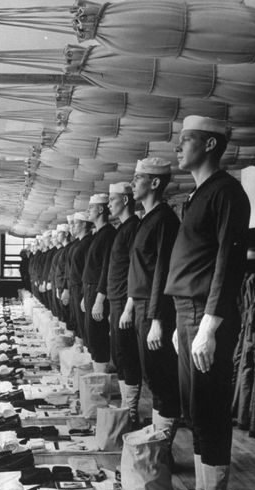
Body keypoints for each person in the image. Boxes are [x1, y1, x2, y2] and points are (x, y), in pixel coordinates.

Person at [165, 115, 250, 490]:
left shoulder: (226, 192)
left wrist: (208, 327)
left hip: (204, 312)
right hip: (188, 311)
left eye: (186, 140)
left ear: (210, 145)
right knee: (194, 409)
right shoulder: (198, 195)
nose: (178, 147)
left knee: (210, 408)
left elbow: (227, 262)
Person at [122, 158, 181, 452]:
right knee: (151, 376)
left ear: (155, 183)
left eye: (138, 178)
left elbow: (162, 271)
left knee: (161, 377)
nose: (133, 184)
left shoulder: (165, 220)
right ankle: (158, 448)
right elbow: (141, 270)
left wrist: (157, 319)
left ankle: (162, 449)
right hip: (143, 306)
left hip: (155, 310)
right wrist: (132, 306)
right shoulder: (148, 219)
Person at [107, 182, 142, 425]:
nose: (109, 204)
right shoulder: (123, 228)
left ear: (126, 200)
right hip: (116, 300)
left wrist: (129, 305)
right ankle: (125, 407)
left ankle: (130, 411)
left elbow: (135, 269)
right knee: (119, 354)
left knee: (127, 355)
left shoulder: (133, 228)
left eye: (113, 199)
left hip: (124, 300)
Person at [81, 193, 116, 372]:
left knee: (98, 336)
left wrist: (99, 299)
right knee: (91, 335)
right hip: (90, 291)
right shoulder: (98, 235)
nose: (88, 211)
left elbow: (106, 268)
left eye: (91, 208)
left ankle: (100, 382)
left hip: (98, 292)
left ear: (101, 209)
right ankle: (96, 375)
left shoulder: (109, 234)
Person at [66, 212, 94, 343]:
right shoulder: (79, 243)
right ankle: (80, 349)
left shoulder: (88, 242)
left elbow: (87, 270)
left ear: (84, 225)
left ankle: (86, 353)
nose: (72, 227)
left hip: (81, 288)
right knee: (77, 320)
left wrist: (84, 293)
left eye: (75, 223)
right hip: (74, 287)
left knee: (83, 323)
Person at [50, 223, 71, 320]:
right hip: (59, 286)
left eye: (59, 233)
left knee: (66, 315)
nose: (57, 236)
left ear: (66, 234)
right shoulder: (63, 250)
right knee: (61, 314)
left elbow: (67, 271)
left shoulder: (68, 249)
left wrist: (64, 288)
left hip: (64, 287)